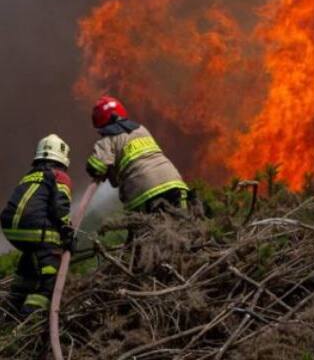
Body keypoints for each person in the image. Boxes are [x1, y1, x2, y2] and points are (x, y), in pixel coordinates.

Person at [1, 135, 74, 316]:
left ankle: (11, 307)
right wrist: (68, 234)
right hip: (34, 230)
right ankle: (30, 317)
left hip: (11, 230)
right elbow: (60, 208)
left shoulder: (29, 176)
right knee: (51, 277)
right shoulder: (60, 176)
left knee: (32, 260)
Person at [86, 96, 189, 212]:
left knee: (146, 228)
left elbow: (96, 167)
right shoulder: (142, 129)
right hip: (174, 182)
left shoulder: (106, 141)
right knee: (184, 223)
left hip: (143, 191)